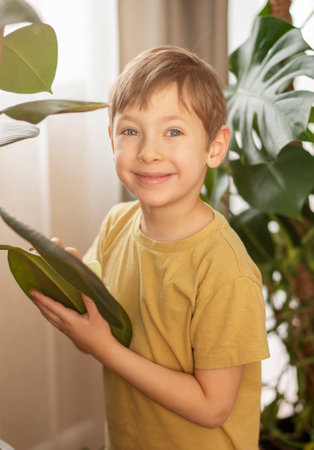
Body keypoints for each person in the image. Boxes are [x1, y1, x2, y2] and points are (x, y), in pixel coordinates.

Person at [30, 45, 270, 450]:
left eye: (173, 132)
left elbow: (213, 407)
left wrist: (104, 350)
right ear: (111, 139)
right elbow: (100, 324)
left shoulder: (225, 271)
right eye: (130, 131)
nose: (148, 152)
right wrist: (65, 278)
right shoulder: (116, 225)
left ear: (214, 146)